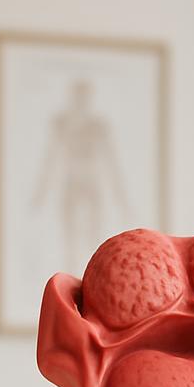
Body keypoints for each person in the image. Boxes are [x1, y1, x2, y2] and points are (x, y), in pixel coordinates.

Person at [31, 79, 130, 274]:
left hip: (91, 182)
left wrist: (121, 198)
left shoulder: (98, 126)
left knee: (94, 232)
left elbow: (110, 161)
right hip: (71, 182)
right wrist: (40, 192)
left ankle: (96, 275)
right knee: (70, 235)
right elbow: (51, 158)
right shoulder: (61, 124)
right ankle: (71, 275)